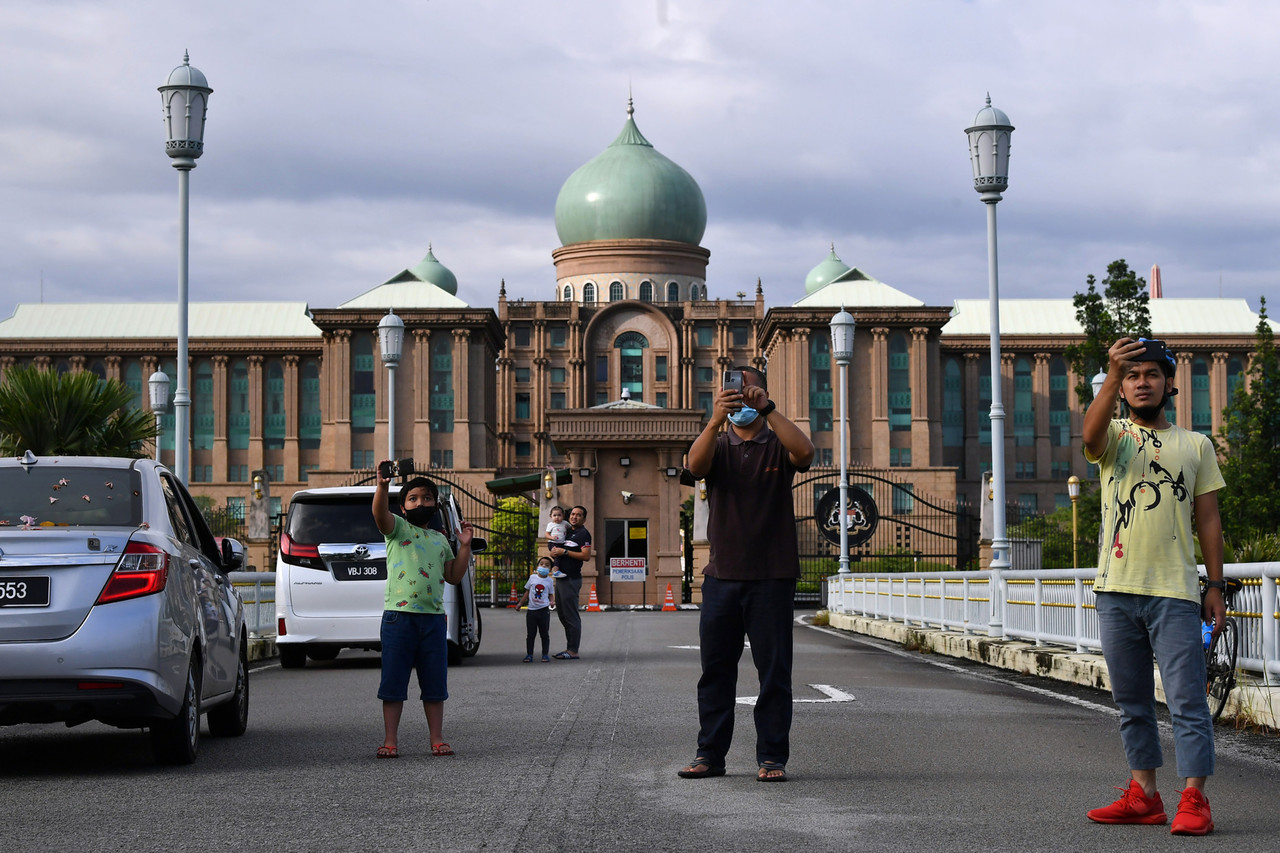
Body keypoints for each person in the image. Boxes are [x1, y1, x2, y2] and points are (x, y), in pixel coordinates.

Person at [1082, 337, 1226, 835]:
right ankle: (1143, 794)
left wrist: (1215, 585)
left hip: (1176, 591)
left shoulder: (1196, 444)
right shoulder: (1116, 435)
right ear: (1121, 388)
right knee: (1132, 701)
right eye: (1132, 376)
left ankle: (1194, 797)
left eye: (1151, 374)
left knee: (1187, 699)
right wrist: (1108, 371)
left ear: (1169, 383)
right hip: (1116, 589)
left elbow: (1207, 520)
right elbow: (1089, 436)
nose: (1143, 382)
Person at [678, 365, 814, 783]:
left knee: (774, 672)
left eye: (747, 390)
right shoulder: (717, 444)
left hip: (772, 576)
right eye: (732, 391)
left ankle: (772, 757)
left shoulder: (777, 443)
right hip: (722, 577)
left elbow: (805, 453)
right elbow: (694, 467)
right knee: (716, 671)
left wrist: (769, 409)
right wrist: (715, 418)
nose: (741, 398)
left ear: (762, 391)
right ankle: (709, 755)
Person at [372, 468, 473, 759]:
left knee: (434, 682)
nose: (420, 503)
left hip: (432, 620)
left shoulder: (440, 539)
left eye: (427, 498)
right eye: (413, 499)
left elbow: (453, 575)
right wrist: (382, 487)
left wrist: (464, 546)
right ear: (402, 507)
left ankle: (437, 739)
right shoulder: (398, 529)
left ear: (435, 505)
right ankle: (390, 741)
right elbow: (380, 514)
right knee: (393, 681)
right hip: (398, 618)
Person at [549, 505, 592, 659]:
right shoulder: (566, 531)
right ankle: (569, 648)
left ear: (584, 519)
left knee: (571, 615)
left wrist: (565, 552)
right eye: (573, 514)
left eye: (579, 515)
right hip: (560, 579)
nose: (574, 517)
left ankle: (573, 650)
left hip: (571, 579)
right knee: (562, 614)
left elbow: (586, 556)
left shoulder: (583, 534)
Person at [517, 556, 556, 662]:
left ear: (550, 569)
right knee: (531, 634)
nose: (544, 566)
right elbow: (527, 592)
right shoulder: (532, 578)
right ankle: (529, 655)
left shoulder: (549, 581)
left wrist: (552, 601)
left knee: (544, 634)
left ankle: (545, 654)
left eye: (547, 565)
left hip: (543, 611)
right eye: (541, 564)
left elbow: (551, 594)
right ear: (537, 566)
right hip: (531, 611)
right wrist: (520, 603)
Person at [545, 505, 570, 577]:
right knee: (557, 555)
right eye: (554, 515)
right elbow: (546, 534)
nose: (557, 517)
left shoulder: (565, 523)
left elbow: (571, 528)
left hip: (562, 543)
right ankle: (555, 571)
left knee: (561, 557)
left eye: (559, 515)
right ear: (551, 516)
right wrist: (551, 537)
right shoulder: (551, 524)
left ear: (563, 516)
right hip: (553, 543)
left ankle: (557, 569)